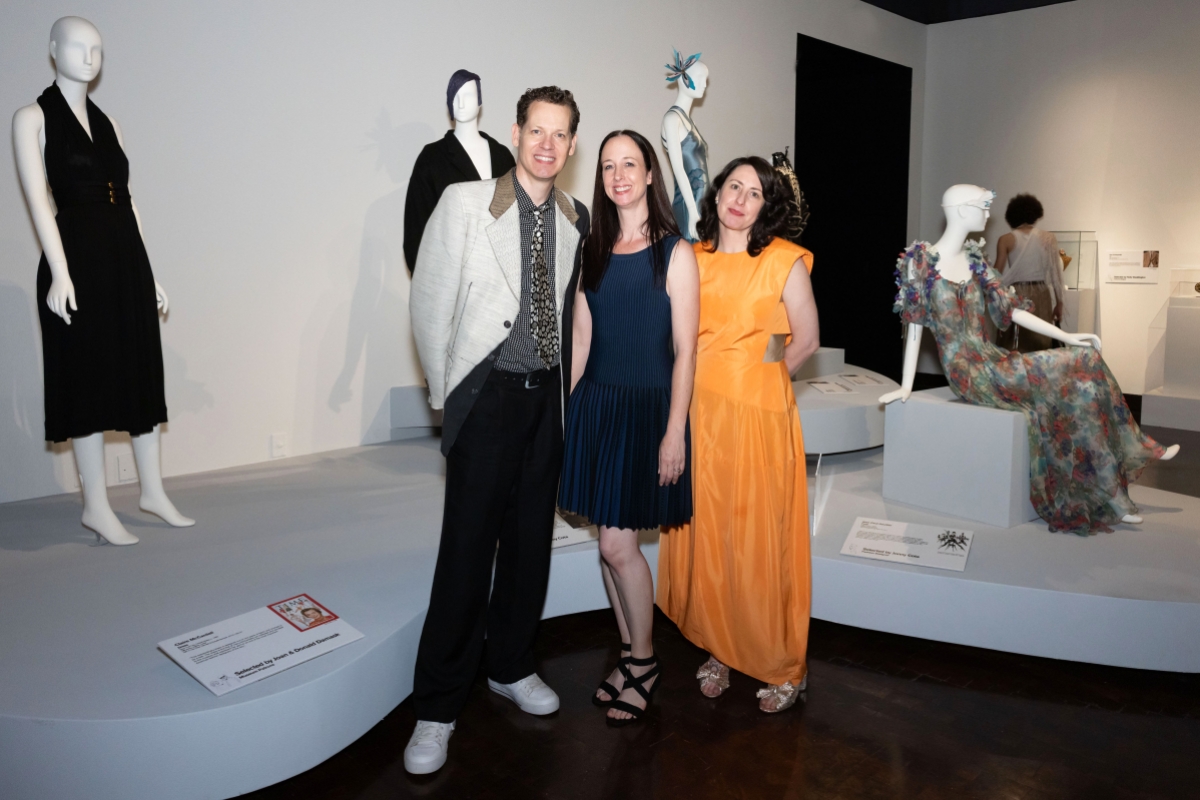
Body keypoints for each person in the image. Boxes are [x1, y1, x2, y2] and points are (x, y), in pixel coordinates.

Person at [406, 86, 589, 774]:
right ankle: (437, 706)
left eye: (559, 134)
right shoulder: (464, 203)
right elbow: (430, 307)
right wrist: (448, 401)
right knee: (466, 550)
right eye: (535, 129)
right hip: (485, 401)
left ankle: (511, 666)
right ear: (517, 134)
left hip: (546, 404)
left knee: (527, 548)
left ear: (571, 146)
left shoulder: (577, 218)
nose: (546, 143)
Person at [881, 184, 1180, 533]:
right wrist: (906, 388)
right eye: (983, 206)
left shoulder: (975, 262)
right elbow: (915, 326)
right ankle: (1125, 468)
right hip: (967, 371)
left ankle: (1112, 494)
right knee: (1078, 368)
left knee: (1084, 367)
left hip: (993, 358)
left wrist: (1066, 336)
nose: (988, 214)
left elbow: (1011, 310)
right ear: (962, 210)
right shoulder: (920, 262)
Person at [12, 16, 193, 546]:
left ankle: (152, 491)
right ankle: (95, 505)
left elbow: (128, 199)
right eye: (77, 46)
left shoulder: (108, 120)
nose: (90, 58)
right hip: (78, 257)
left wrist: (149, 269)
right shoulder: (32, 118)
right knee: (87, 377)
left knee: (140, 368)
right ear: (52, 49)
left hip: (123, 257)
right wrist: (61, 270)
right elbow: (39, 203)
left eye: (98, 49)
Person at [656, 156, 820, 714]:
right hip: (700, 415)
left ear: (765, 206)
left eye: (754, 193)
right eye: (733, 187)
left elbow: (804, 341)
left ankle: (780, 662)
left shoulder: (783, 260)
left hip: (757, 418)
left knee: (757, 537)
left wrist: (758, 380)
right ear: (717, 192)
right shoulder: (691, 258)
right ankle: (719, 647)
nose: (740, 199)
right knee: (712, 534)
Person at [558, 130, 699, 726]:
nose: (618, 175)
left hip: (647, 412)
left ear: (648, 175)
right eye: (609, 166)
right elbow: (582, 340)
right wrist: (565, 421)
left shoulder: (675, 253)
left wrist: (675, 433)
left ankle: (644, 660)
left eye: (630, 165)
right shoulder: (592, 248)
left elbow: (686, 352)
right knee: (606, 547)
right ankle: (627, 652)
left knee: (618, 545)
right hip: (597, 408)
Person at [992, 193, 1066, 352]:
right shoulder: (1048, 237)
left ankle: (1014, 374)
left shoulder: (1005, 239)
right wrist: (1059, 302)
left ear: (1012, 215)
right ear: (1035, 213)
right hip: (1041, 293)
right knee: (1040, 338)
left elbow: (996, 273)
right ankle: (1038, 374)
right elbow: (1056, 274)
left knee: (1014, 341)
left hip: (1016, 294)